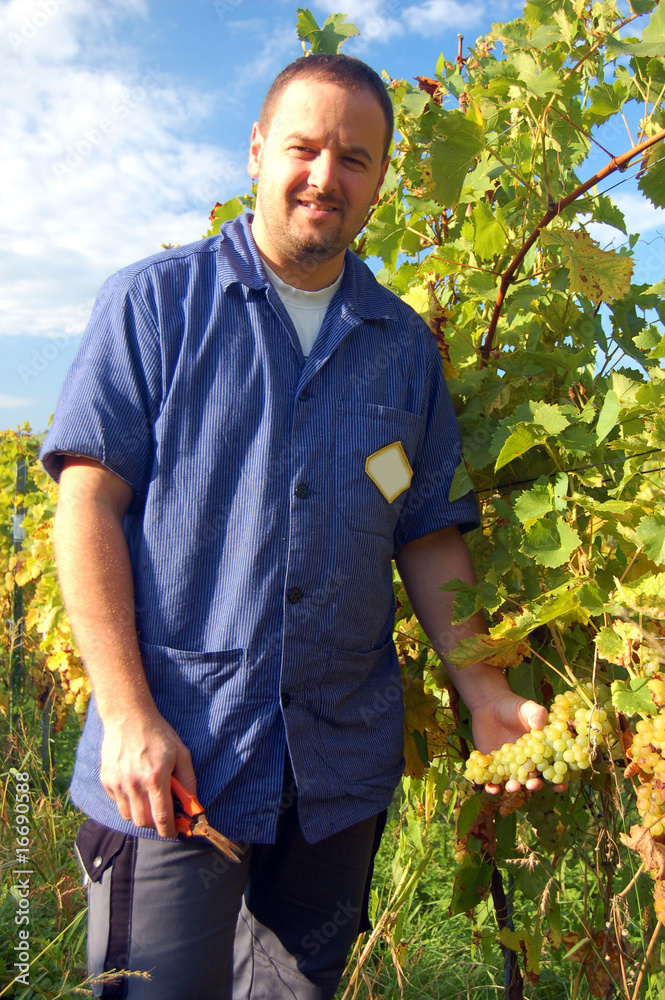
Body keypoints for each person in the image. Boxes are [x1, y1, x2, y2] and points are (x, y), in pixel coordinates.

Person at [42, 53, 549, 1000]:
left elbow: (427, 534)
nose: (326, 175)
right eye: (305, 147)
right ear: (257, 151)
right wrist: (128, 714)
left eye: (355, 157)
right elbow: (87, 503)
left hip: (336, 777)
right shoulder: (154, 307)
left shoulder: (401, 349)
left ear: (383, 177)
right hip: (170, 769)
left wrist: (482, 691)